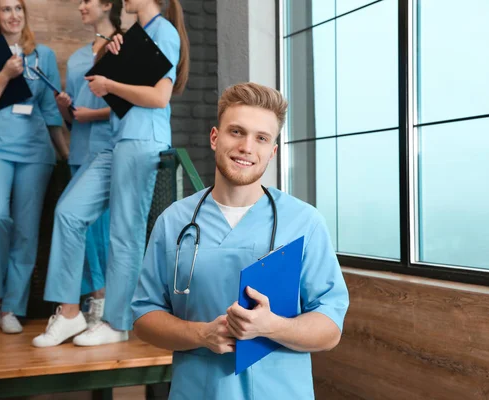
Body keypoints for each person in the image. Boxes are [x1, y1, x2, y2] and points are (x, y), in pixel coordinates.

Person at [131, 82, 349, 399]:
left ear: (272, 151)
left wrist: (271, 326)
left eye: (261, 138)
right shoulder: (174, 222)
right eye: (236, 132)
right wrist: (201, 334)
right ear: (215, 137)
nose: (247, 146)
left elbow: (329, 329)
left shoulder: (304, 222)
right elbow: (143, 318)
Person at [32, 0, 189, 347]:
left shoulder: (165, 32)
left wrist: (110, 85)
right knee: (69, 212)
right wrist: (117, 58)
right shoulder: (136, 34)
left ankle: (118, 323)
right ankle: (70, 313)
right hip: (118, 140)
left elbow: (160, 97)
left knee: (124, 232)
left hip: (142, 140)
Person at [0, 0, 69, 334]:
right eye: (5, 9)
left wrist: (67, 155)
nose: (13, 15)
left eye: (18, 9)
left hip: (36, 151)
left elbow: (51, 113)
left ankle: (12, 307)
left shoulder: (45, 56)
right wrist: (5, 74)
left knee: (26, 231)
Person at [45, 0, 124, 330]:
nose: (80, 7)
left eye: (86, 1)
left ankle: (104, 302)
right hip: (79, 151)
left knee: (103, 232)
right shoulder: (78, 57)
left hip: (109, 149)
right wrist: (65, 107)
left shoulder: (123, 45)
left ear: (107, 5)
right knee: (84, 231)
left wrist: (92, 114)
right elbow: (73, 118)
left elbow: (130, 101)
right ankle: (92, 301)